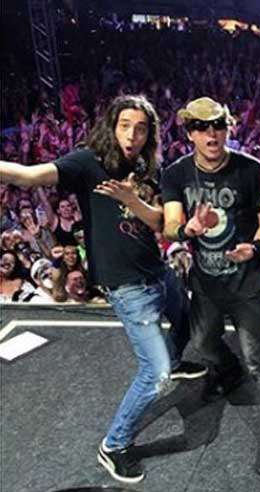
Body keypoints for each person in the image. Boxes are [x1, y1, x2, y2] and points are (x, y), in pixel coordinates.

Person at [0, 95, 204, 484]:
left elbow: (159, 222)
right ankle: (114, 444)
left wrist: (130, 199)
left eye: (141, 129)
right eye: (125, 125)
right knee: (155, 374)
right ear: (111, 126)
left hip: (156, 269)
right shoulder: (87, 162)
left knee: (185, 317)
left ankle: (177, 361)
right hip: (127, 286)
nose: (132, 135)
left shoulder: (147, 167)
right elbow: (29, 176)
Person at [160, 96, 260, 477]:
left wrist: (257, 247)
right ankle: (228, 370)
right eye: (202, 127)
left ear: (228, 128)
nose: (211, 133)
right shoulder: (176, 174)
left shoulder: (251, 170)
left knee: (259, 360)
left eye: (218, 125)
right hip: (205, 282)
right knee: (202, 344)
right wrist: (187, 230)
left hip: (245, 281)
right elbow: (170, 225)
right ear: (189, 133)